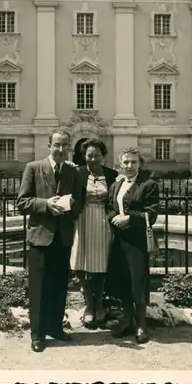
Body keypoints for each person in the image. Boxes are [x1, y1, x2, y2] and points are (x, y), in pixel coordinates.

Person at [17, 129, 83, 353]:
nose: (61, 149)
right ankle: (37, 334)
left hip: (63, 237)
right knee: (39, 288)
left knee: (58, 286)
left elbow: (79, 204)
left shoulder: (72, 172)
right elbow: (22, 202)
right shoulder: (34, 168)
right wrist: (46, 204)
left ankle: (55, 327)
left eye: (65, 145)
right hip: (40, 237)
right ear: (49, 145)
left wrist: (69, 204)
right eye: (57, 145)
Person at [106, 147, 159, 344]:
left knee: (138, 281)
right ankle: (127, 320)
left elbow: (151, 214)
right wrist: (114, 218)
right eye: (126, 162)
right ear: (120, 164)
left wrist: (128, 218)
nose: (129, 166)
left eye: (133, 162)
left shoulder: (148, 185)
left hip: (137, 241)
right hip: (119, 240)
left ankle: (141, 324)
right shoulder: (116, 185)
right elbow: (109, 208)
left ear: (140, 164)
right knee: (122, 280)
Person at [70, 139, 118, 326]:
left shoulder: (112, 175)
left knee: (102, 263)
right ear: (84, 156)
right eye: (89, 155)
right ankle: (89, 304)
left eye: (96, 155)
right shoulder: (78, 173)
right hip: (82, 220)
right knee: (80, 262)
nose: (93, 159)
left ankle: (99, 304)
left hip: (103, 222)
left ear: (103, 156)